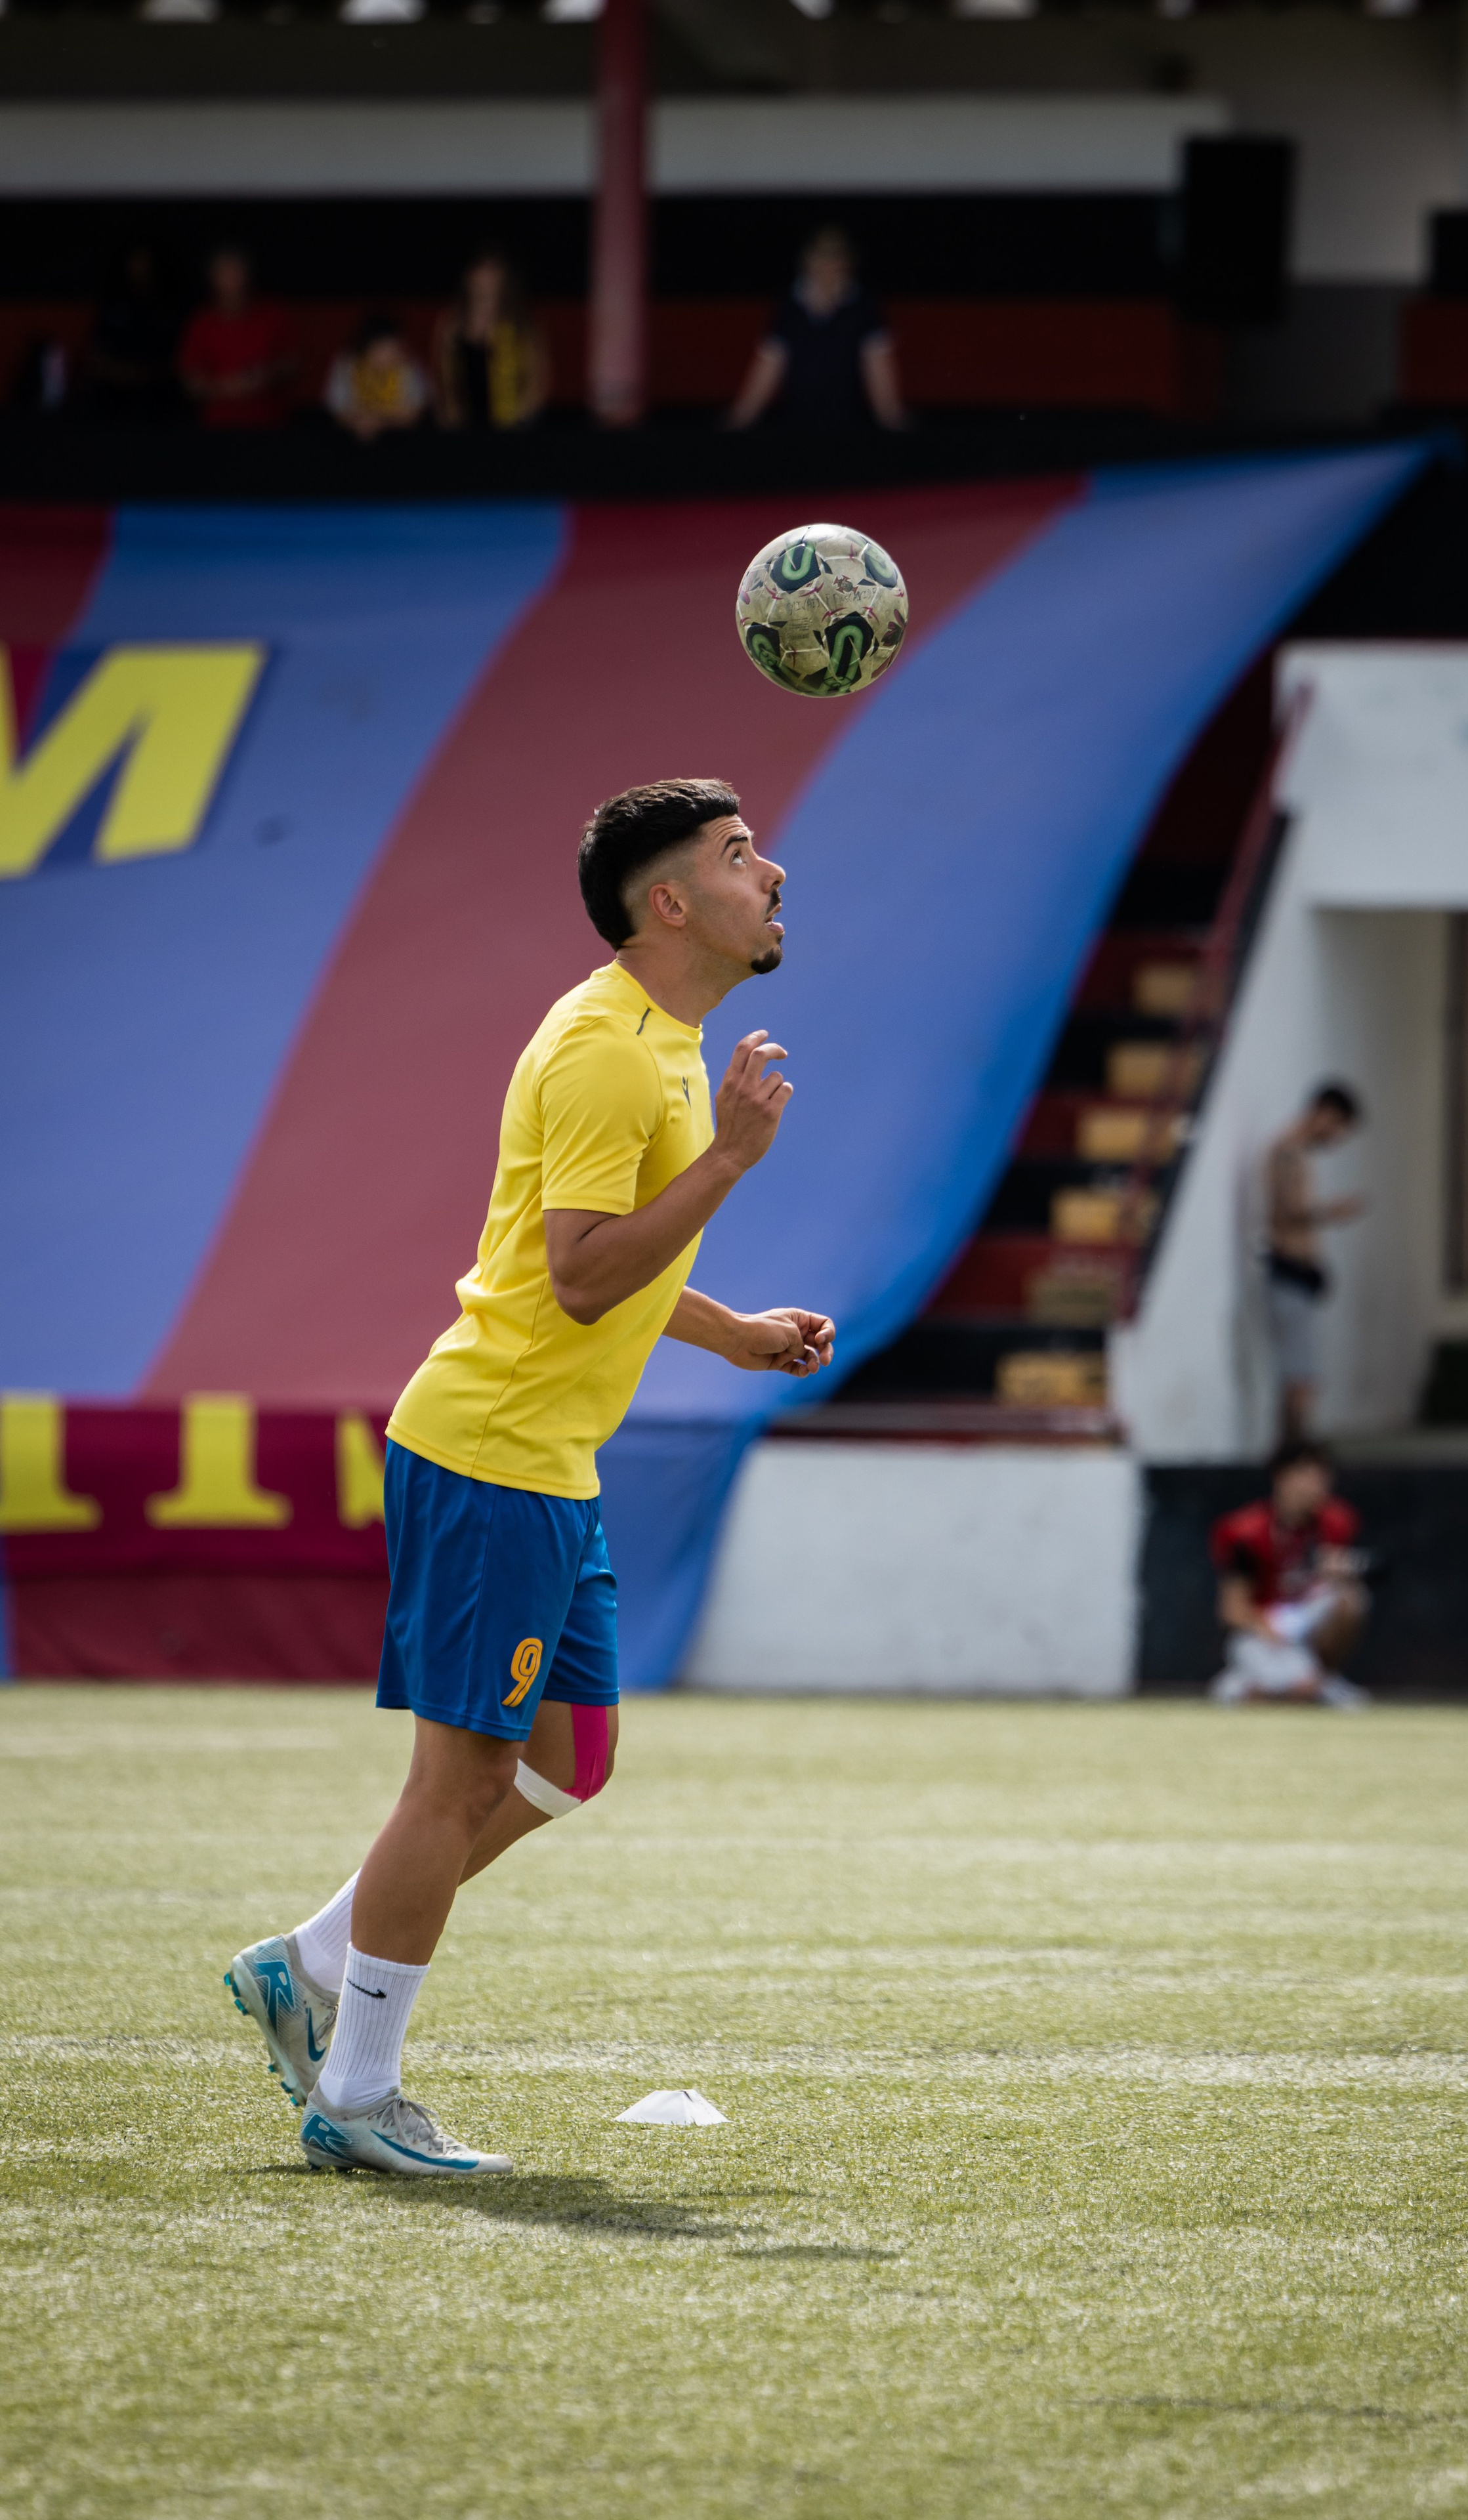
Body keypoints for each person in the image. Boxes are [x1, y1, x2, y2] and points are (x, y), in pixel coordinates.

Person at [224, 779, 834, 2176]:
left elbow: (598, 1255)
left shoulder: (663, 1043)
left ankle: (309, 1962)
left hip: (545, 1462)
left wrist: (728, 1329)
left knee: (570, 1762)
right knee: (459, 1783)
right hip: (493, 1449)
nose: (774, 873)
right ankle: (359, 2097)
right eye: (740, 858)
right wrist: (733, 1165)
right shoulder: (612, 1052)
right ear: (667, 903)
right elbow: (571, 1279)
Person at [1209, 1439, 1370, 1708]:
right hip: (1261, 1631)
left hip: (1304, 1626)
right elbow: (1232, 1609)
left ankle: (1310, 1679)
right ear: (1282, 1478)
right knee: (1292, 1684)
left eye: (1322, 1477)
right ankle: (1259, 1684)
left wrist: (1338, 1573)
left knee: (1352, 1599)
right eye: (1307, 1476)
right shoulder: (1246, 1532)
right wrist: (1269, 1629)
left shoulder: (1335, 1523)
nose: (1317, 1486)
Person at [725, 226, 908, 434]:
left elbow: (881, 378)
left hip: (847, 428)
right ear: (807, 260)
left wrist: (894, 420)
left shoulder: (865, 308)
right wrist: (738, 420)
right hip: (796, 428)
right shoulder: (789, 307)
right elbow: (768, 368)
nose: (828, 265)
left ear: (848, 263)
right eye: (822, 256)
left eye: (836, 257)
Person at [1263, 1081, 1366, 1443]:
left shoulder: (1296, 1152)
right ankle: (1294, 1453)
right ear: (1323, 1113)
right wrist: (1332, 1212)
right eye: (1337, 1127)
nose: (1336, 1137)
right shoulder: (1288, 1150)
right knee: (1300, 1379)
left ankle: (1294, 1451)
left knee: (1301, 1375)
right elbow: (1288, 1212)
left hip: (1298, 1275)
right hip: (1288, 1273)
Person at [178, 245, 295, 430]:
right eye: (225, 273)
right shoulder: (201, 322)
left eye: (237, 271)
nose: (233, 280)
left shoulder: (274, 314)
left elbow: (293, 363)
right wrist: (224, 388)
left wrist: (267, 375)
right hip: (218, 426)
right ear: (212, 278)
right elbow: (190, 380)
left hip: (269, 423)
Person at [434, 253, 548, 430]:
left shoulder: (521, 324)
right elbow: (441, 376)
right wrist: (448, 413)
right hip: (463, 428)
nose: (485, 278)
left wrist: (522, 417)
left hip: (512, 427)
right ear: (468, 275)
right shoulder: (452, 324)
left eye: (492, 270)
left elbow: (539, 378)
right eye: (480, 270)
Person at [83, 246, 181, 425]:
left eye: (145, 262)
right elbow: (96, 355)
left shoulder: (166, 307)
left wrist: (144, 375)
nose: (140, 268)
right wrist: (121, 373)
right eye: (135, 262)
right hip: (113, 385)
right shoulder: (112, 305)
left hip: (154, 385)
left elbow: (176, 359)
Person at [325, 314, 430, 441]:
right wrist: (357, 422)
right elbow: (337, 409)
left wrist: (380, 422)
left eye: (393, 348)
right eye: (381, 348)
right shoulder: (347, 365)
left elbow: (415, 412)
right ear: (365, 346)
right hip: (352, 439)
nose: (388, 356)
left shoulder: (408, 366)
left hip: (400, 439)